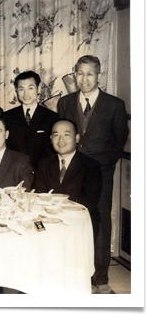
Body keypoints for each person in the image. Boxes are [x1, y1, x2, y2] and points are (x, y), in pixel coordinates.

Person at [57, 55, 129, 294]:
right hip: (72, 170)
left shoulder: (115, 105)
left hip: (100, 173)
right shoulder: (65, 103)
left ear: (99, 75)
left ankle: (100, 278)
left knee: (99, 221)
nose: (84, 79)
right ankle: (70, 271)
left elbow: (119, 141)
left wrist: (104, 166)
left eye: (89, 74)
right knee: (69, 219)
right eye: (79, 73)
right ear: (74, 74)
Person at [33, 119, 102, 221]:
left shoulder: (91, 165)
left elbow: (89, 201)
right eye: (56, 135)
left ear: (77, 138)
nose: (61, 140)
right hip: (49, 218)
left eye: (66, 134)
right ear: (51, 139)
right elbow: (38, 193)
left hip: (78, 220)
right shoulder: (44, 163)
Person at [3, 70, 57, 169]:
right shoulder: (7, 117)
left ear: (39, 89)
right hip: (14, 172)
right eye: (21, 89)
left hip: (43, 173)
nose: (26, 94)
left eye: (30, 88)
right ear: (16, 91)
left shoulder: (52, 117)